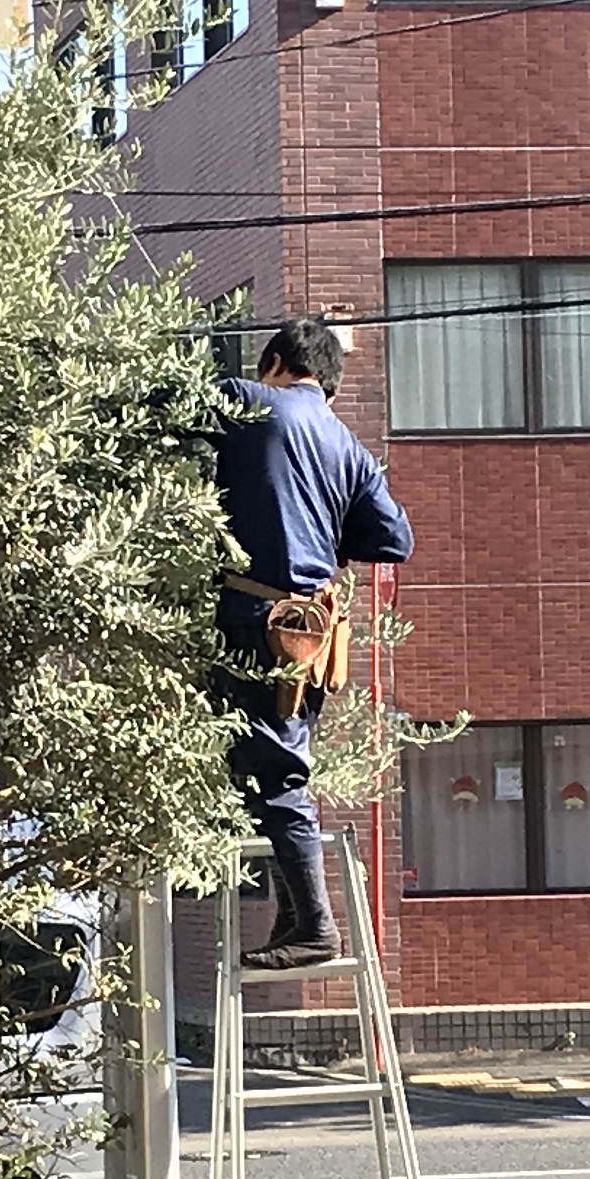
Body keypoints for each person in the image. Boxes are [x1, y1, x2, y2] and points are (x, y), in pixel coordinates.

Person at [211, 317, 413, 970]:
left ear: (274, 364)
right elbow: (393, 540)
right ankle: (296, 917)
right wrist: (323, 532)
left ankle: (316, 927)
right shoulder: (347, 446)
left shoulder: (251, 403)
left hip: (261, 622)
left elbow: (160, 404)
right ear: (331, 386)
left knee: (274, 774)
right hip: (309, 636)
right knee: (268, 766)